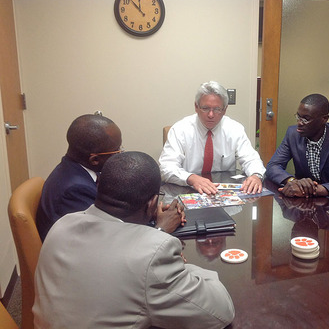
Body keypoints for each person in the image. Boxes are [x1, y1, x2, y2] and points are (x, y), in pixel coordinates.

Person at [33, 152, 235, 329]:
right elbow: (221, 312)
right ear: (152, 204)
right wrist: (190, 269)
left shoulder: (62, 225)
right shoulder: (152, 254)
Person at [37, 114, 183, 241]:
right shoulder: (73, 191)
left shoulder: (78, 170)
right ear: (94, 160)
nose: (120, 154)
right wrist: (161, 229)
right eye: (117, 150)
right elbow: (105, 243)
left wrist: (148, 213)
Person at [159, 81, 266, 195]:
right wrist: (191, 178)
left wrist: (256, 175)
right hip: (188, 191)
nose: (211, 115)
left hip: (223, 195)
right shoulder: (180, 129)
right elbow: (166, 167)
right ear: (196, 107)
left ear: (225, 110)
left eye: (217, 109)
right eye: (205, 108)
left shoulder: (235, 129)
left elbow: (251, 158)